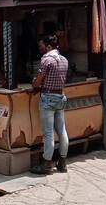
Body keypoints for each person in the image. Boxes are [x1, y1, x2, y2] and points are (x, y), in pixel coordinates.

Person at [29, 35, 69, 175]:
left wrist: (34, 84)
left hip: (48, 98)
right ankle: (62, 163)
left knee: (48, 133)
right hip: (60, 97)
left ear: (48, 46)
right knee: (62, 130)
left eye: (41, 46)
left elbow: (38, 81)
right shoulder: (64, 60)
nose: (40, 49)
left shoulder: (46, 60)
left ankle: (46, 164)